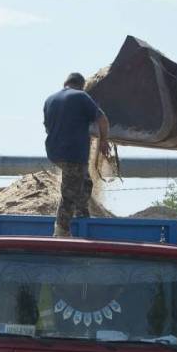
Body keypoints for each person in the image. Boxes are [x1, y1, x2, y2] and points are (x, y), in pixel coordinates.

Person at [43, 72, 111, 237]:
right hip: (73, 153)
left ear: (65, 83)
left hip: (54, 152)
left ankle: (82, 213)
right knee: (70, 192)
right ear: (81, 85)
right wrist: (103, 141)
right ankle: (61, 230)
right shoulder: (81, 97)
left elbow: (47, 127)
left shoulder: (50, 99)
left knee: (85, 182)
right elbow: (103, 120)